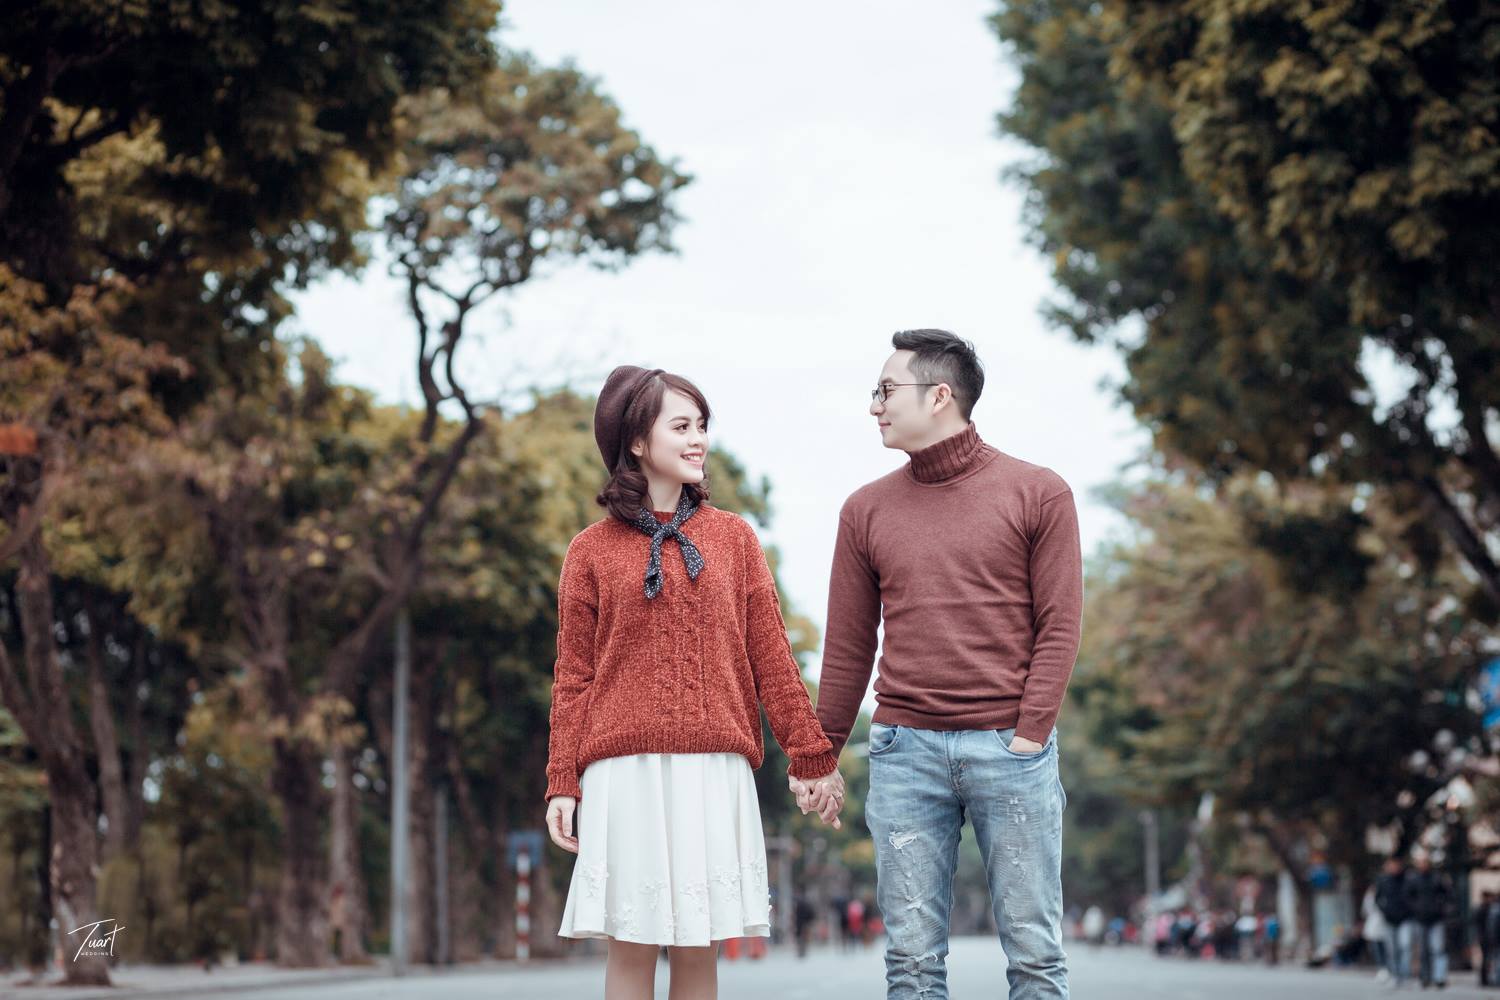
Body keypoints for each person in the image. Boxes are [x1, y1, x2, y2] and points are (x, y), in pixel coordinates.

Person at [543, 366, 843, 1000]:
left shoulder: (735, 539)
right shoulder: (590, 551)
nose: (698, 439)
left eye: (702, 426)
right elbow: (574, 679)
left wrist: (812, 757)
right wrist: (562, 781)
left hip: (713, 769)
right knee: (631, 950)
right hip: (624, 773)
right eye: (681, 427)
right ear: (636, 442)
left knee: (698, 953)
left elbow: (771, 657)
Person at [803, 330, 1083, 998]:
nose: (874, 405)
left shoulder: (1039, 493)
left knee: (1035, 956)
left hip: (1011, 751)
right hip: (905, 753)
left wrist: (1031, 732)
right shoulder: (864, 509)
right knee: (911, 962)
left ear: (939, 396)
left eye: (886, 390)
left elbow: (1060, 624)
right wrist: (819, 755)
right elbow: (848, 645)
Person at [1404, 852, 1451, 989]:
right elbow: (1407, 897)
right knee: (1424, 950)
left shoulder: (1437, 878)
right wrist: (1415, 908)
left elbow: (1448, 895)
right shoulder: (1413, 879)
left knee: (1438, 948)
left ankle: (1439, 977)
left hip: (1437, 918)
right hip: (1420, 919)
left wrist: (1442, 907)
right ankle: (1425, 977)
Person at [1376, 856, 1412, 986]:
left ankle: (1405, 975)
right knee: (1392, 950)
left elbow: (1413, 896)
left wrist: (1410, 909)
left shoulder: (1407, 879)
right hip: (1389, 919)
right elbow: (1377, 898)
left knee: (1405, 946)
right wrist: (1384, 910)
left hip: (1405, 919)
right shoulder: (1383, 881)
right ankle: (1395, 975)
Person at [1362, 880, 1390, 983]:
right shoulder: (1369, 897)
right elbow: (1366, 910)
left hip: (1385, 924)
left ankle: (1386, 968)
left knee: (1386, 949)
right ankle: (1382, 968)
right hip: (1374, 926)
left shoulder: (1384, 895)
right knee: (1377, 949)